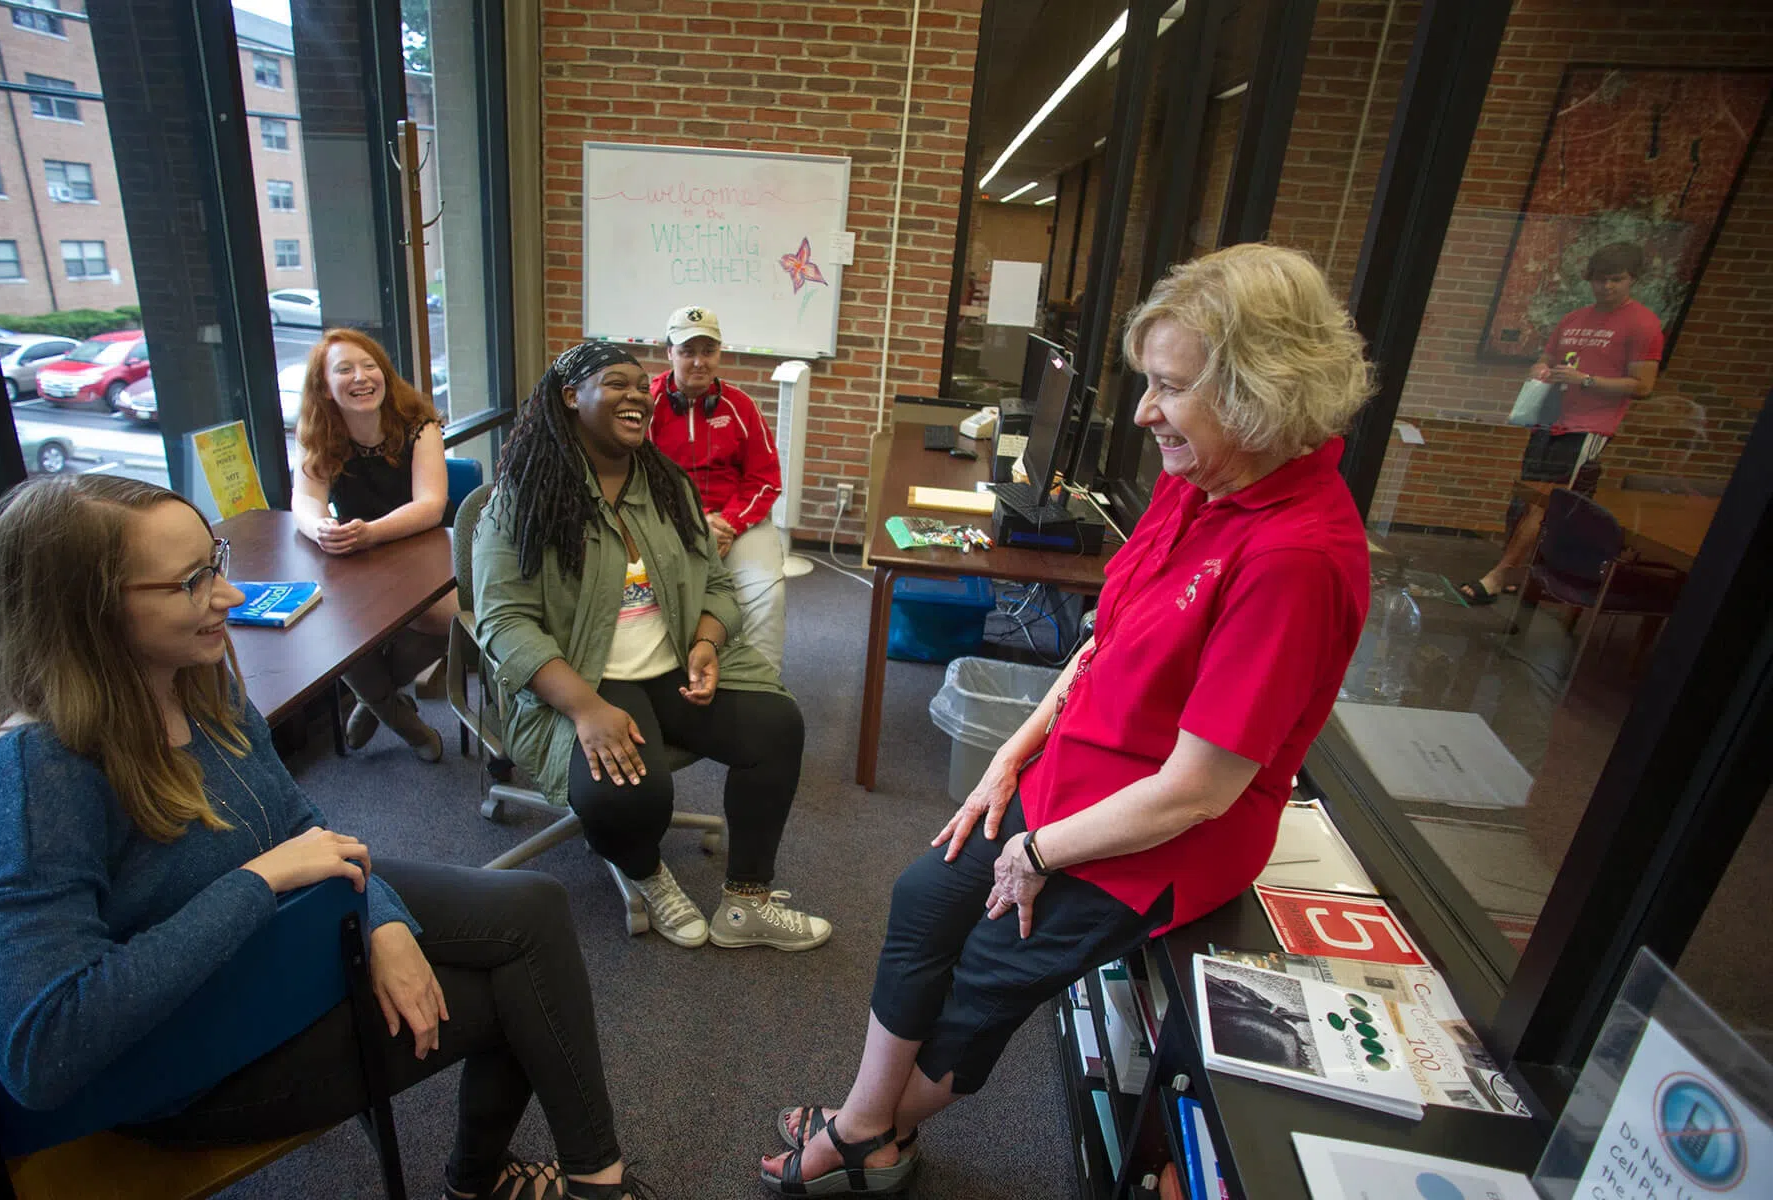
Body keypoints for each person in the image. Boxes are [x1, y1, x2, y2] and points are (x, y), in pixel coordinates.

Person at [758, 244, 1373, 1195]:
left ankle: (855, 1134)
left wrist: (1040, 852)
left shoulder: (1295, 557)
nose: (1143, 414)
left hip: (1159, 834)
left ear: (1259, 394)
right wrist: (1012, 754)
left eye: (1169, 388)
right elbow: (1100, 646)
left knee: (988, 974)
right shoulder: (1201, 479)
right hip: (1076, 777)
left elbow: (1199, 789)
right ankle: (874, 1130)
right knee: (928, 895)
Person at [0, 474, 653, 1200]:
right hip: (187, 1061)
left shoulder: (198, 682)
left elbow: (295, 826)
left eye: (215, 563)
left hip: (268, 943)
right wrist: (259, 884)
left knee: (533, 909)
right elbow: (38, 1050)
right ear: (84, 613)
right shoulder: (40, 773)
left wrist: (380, 921)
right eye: (192, 583)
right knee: (513, 995)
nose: (226, 596)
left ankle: (580, 1179)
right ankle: (508, 1183)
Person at [473, 340, 829, 952]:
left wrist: (708, 642)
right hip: (583, 678)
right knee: (634, 795)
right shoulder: (521, 502)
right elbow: (504, 622)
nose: (636, 395)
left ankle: (747, 903)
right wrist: (585, 708)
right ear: (570, 398)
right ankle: (646, 871)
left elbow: (717, 584)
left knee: (777, 725)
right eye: (615, 383)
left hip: (671, 665)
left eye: (641, 385)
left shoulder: (669, 489)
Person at [1458, 242, 1662, 605]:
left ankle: (1502, 573)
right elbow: (1546, 358)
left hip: (1589, 425)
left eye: (1616, 279)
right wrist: (1540, 370)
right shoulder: (1574, 318)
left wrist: (1585, 379)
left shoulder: (1642, 323)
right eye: (1600, 280)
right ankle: (1514, 572)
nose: (1607, 287)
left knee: (1547, 503)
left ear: (1632, 279)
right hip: (1550, 417)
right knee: (1525, 498)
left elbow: (1643, 386)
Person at [291, 328, 457, 760]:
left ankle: (375, 700)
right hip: (355, 558)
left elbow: (431, 505)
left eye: (369, 367)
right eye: (344, 370)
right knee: (333, 631)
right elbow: (305, 500)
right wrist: (320, 529)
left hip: (420, 551)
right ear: (325, 387)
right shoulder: (321, 432)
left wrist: (370, 532)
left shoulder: (419, 424)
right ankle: (406, 723)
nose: (360, 377)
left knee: (448, 618)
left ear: (384, 373)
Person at [649, 305, 789, 671]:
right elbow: (636, 481)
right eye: (687, 351)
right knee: (664, 599)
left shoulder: (741, 406)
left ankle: (760, 683)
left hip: (735, 525)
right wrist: (692, 522)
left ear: (719, 353)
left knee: (767, 597)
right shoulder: (646, 406)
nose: (699, 362)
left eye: (708, 351)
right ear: (669, 353)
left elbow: (765, 478)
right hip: (668, 525)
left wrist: (728, 523)